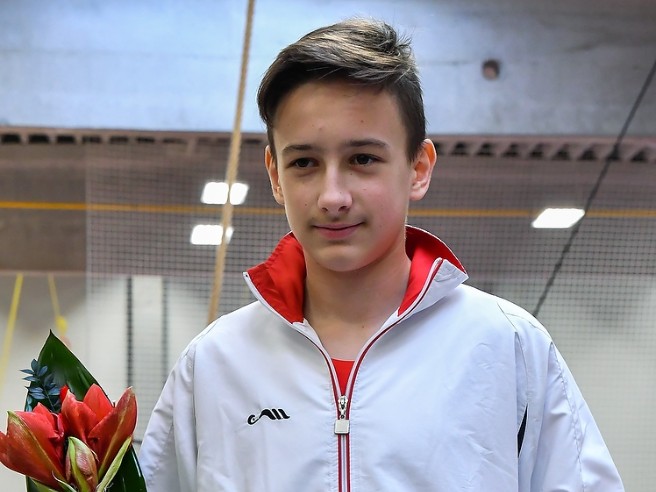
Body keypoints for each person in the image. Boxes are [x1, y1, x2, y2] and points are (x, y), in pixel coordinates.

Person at [139, 18, 624, 491]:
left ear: (418, 168)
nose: (332, 196)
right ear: (275, 175)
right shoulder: (214, 362)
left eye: (363, 159)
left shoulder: (509, 347)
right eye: (304, 162)